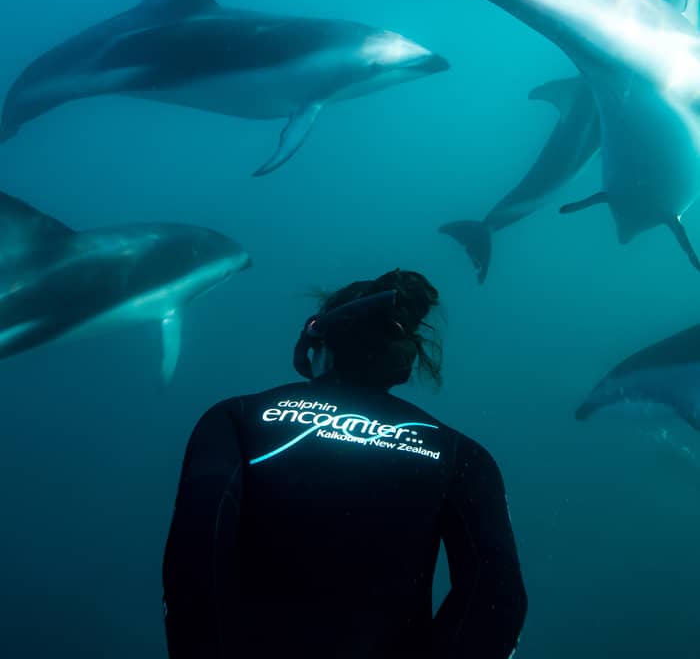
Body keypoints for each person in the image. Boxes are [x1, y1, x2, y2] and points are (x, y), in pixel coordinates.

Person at [162, 269, 527, 658]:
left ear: (318, 344)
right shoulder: (461, 453)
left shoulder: (237, 418)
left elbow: (194, 563)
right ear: (400, 359)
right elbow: (498, 597)